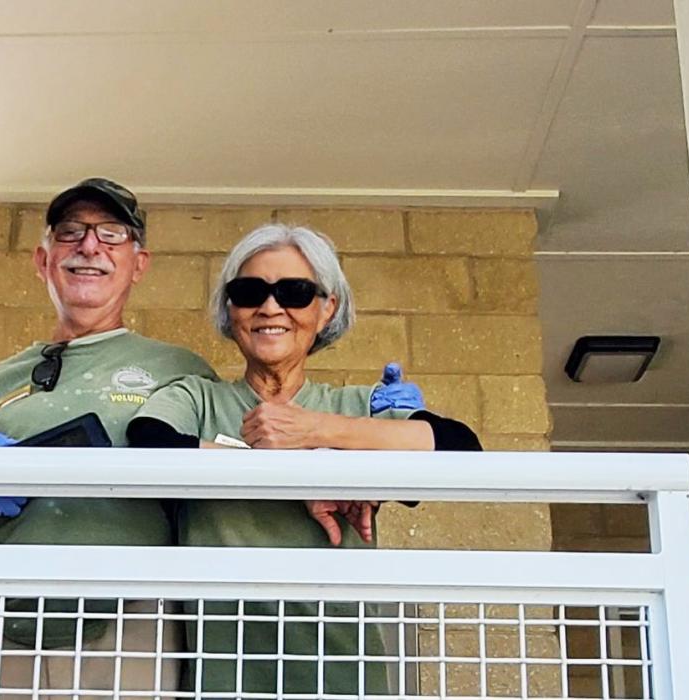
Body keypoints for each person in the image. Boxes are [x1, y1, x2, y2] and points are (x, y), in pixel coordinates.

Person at [127, 223, 481, 696]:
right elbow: (149, 443)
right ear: (231, 309)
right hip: (223, 680)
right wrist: (299, 477)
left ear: (326, 307)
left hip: (344, 676)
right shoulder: (199, 399)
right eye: (250, 291)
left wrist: (316, 432)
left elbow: (460, 449)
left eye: (294, 292)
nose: (271, 307)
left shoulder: (360, 407)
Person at [0, 178, 216, 698]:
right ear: (42, 260)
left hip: (131, 626)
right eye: (70, 232)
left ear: (139, 263)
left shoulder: (180, 371)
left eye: (111, 233)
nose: (89, 246)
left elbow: (229, 485)